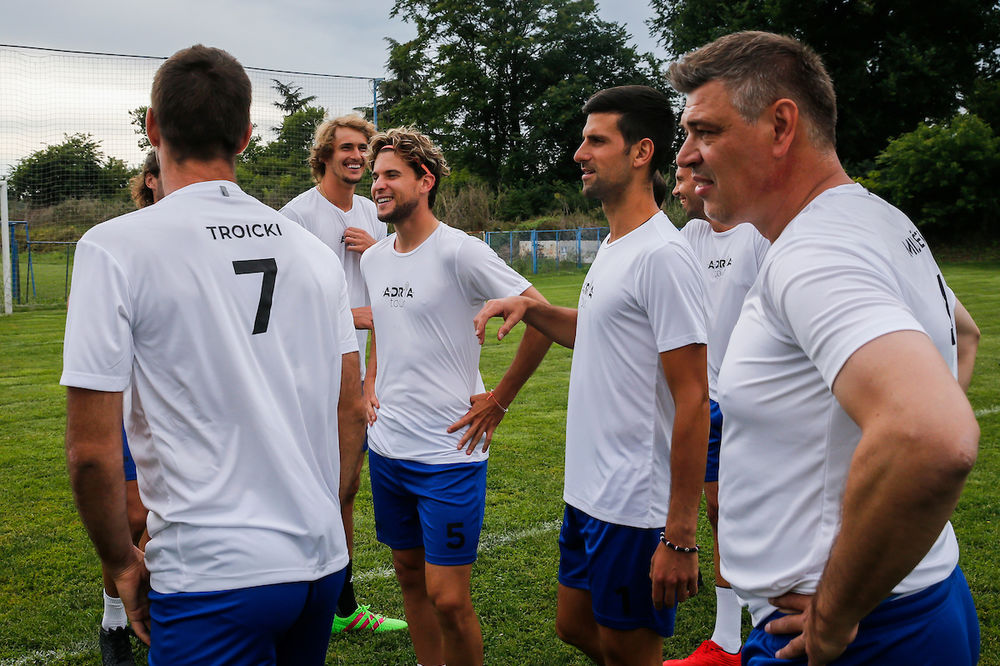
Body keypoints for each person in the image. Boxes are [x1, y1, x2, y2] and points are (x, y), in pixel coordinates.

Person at [667, 31, 980, 665]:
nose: (688, 155)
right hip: (916, 603)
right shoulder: (879, 220)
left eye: (706, 130)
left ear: (781, 125)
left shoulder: (815, 255)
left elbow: (932, 434)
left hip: (855, 635)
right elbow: (964, 336)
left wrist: (837, 613)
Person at [62, 45, 366, 665]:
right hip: (319, 561)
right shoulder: (311, 252)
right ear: (247, 136)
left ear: (152, 127)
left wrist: (121, 560)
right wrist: (327, 513)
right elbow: (351, 411)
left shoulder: (114, 246)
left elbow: (92, 453)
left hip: (213, 575)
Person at [471, 86, 710, 666]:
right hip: (588, 492)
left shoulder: (662, 256)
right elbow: (595, 331)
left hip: (633, 504)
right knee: (573, 624)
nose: (580, 152)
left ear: (641, 152)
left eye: (596, 140)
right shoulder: (615, 244)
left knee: (631, 651)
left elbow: (695, 397)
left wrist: (679, 533)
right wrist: (533, 308)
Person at [359, 126, 552, 666]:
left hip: (449, 454)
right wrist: (372, 384)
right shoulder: (373, 259)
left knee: (448, 596)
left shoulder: (460, 252)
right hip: (388, 447)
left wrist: (499, 398)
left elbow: (538, 314)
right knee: (409, 579)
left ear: (426, 179)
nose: (378, 185)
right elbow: (383, 328)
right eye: (376, 176)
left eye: (391, 175)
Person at [280, 115, 406, 635]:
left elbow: (394, 282)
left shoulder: (373, 213)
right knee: (302, 486)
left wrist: (374, 249)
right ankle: (299, 596)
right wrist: (347, 315)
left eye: (364, 149)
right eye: (347, 148)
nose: (357, 156)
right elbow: (275, 305)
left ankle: (342, 607)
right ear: (325, 155)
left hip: (357, 373)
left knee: (346, 488)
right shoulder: (295, 217)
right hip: (307, 374)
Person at [663, 166, 768, 666]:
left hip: (755, 402)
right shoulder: (690, 237)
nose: (677, 187)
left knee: (755, 515)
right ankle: (729, 637)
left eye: (683, 177)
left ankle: (755, 627)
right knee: (718, 512)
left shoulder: (757, 234)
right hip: (706, 401)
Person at [97, 150, 162, 666]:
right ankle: (113, 617)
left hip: (184, 404)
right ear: (151, 180)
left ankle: (162, 596)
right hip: (129, 400)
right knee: (133, 511)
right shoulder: (120, 242)